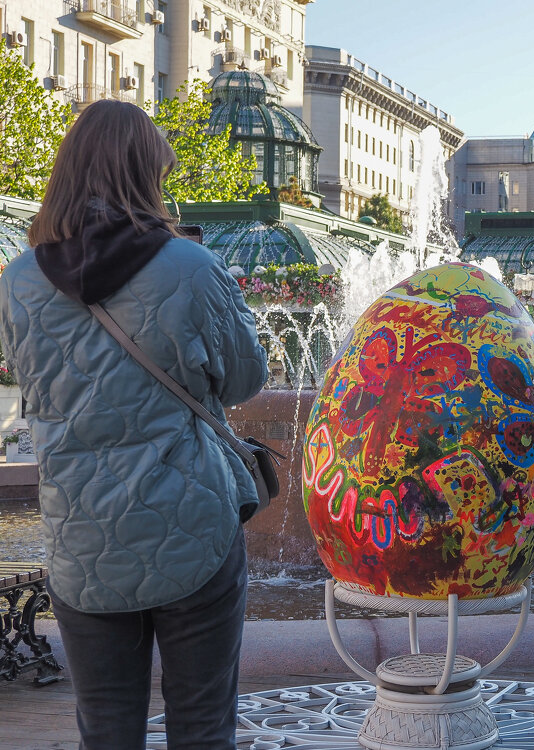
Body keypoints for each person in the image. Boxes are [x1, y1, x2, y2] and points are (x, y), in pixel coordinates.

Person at [0, 100, 269, 748]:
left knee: (107, 731)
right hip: (192, 532)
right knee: (203, 726)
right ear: (147, 176)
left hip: (82, 538)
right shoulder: (192, 268)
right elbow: (245, 380)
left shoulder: (15, 283)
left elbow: (29, 387)